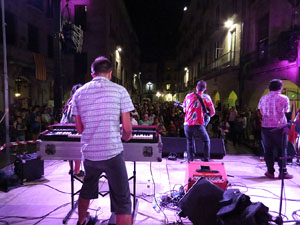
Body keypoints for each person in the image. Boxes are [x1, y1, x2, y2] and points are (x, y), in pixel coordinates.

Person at [72, 56, 133, 225]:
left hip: (90, 154)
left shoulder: (78, 93)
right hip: (112, 153)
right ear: (110, 73)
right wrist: (124, 137)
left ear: (92, 74)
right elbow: (127, 129)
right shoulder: (120, 91)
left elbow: (79, 129)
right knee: (123, 201)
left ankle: (81, 220)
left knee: (87, 188)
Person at [258, 79, 293, 179]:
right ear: (280, 88)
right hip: (280, 127)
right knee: (282, 149)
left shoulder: (263, 98)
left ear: (269, 88)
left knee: (268, 150)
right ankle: (283, 172)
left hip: (266, 127)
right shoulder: (284, 98)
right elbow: (287, 111)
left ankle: (270, 172)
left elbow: (261, 111)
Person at [182, 80, 215, 162]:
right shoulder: (206, 97)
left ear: (196, 87)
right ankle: (206, 159)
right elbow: (212, 112)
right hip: (198, 124)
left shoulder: (188, 96)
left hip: (187, 124)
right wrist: (207, 116)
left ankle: (190, 160)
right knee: (206, 140)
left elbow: (184, 109)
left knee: (189, 141)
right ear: (205, 89)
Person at [60, 84, 84, 177]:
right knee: (77, 150)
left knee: (70, 150)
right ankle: (77, 171)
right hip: (74, 128)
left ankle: (71, 169)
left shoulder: (69, 101)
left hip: (65, 128)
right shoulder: (78, 101)